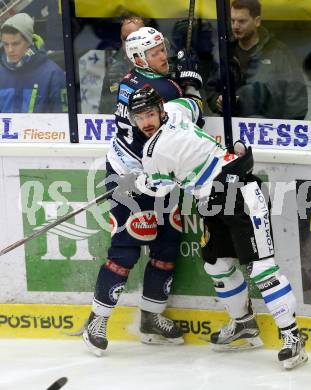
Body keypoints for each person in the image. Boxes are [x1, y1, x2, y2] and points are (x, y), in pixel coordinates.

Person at [125, 86, 308, 370]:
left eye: (150, 114)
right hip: (212, 201)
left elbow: (160, 189)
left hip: (239, 194)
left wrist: (139, 182)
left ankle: (293, 338)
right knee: (216, 265)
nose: (146, 122)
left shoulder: (153, 152)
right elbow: (194, 105)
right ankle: (244, 324)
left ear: (160, 110)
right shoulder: (175, 110)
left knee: (262, 269)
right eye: (139, 117)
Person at [82, 26, 204, 356]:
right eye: (155, 53)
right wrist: (192, 83)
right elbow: (192, 119)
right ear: (139, 58)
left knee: (167, 243)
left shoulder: (130, 80)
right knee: (126, 248)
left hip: (155, 176)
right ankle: (96, 320)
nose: (163, 56)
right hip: (131, 180)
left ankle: (151, 318)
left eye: (163, 49)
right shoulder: (162, 86)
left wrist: (180, 82)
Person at [205, 0, 308, 120]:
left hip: (269, 129)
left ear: (257, 21)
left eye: (242, 21)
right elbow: (211, 88)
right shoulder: (225, 52)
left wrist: (285, 129)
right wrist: (217, 101)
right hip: (231, 129)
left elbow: (296, 98)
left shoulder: (279, 53)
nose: (235, 26)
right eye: (232, 21)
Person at [0, 13, 67, 113]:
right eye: (6, 44)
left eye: (15, 44)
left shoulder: (53, 74)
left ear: (29, 42)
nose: (10, 50)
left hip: (40, 129)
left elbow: (63, 120)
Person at [98, 15, 145, 114]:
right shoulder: (114, 72)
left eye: (134, 38)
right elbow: (104, 112)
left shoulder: (160, 68)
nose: (129, 44)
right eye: (125, 39)